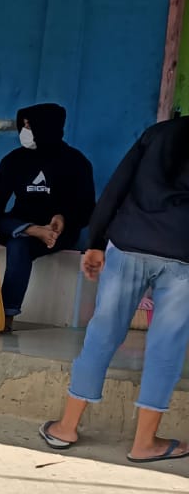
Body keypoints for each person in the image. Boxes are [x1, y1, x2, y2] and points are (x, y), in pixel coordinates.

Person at [40, 116, 189, 463]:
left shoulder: (158, 133)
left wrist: (95, 241)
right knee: (166, 345)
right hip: (183, 251)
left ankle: (66, 427)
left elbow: (117, 187)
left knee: (102, 333)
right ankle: (144, 443)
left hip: (128, 241)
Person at [0, 104, 95, 326]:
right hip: (18, 223)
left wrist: (63, 218)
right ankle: (29, 229)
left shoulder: (75, 162)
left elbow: (85, 209)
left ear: (46, 128)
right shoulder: (15, 159)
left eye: (29, 125)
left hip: (54, 232)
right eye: (23, 125)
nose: (24, 131)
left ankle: (5, 315)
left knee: (19, 245)